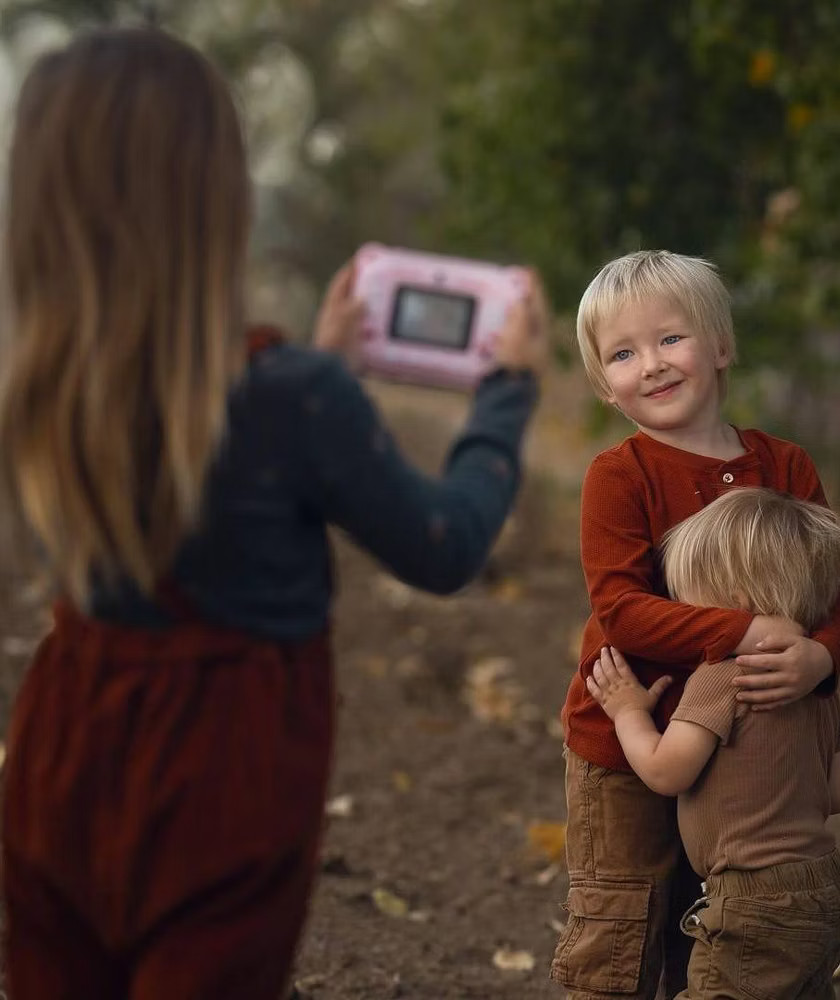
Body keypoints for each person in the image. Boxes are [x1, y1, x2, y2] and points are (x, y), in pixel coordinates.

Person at [0, 27, 547, 1000]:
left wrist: (320, 366)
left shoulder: (41, 392)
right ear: (213, 202)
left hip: (59, 764)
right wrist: (503, 397)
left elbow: (201, 451)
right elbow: (444, 542)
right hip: (225, 789)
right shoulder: (288, 400)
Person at [550, 251, 840, 1000]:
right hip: (630, 740)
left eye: (670, 339)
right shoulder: (619, 476)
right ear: (604, 384)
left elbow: (839, 586)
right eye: (623, 354)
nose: (650, 365)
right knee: (623, 928)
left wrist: (819, 660)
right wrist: (748, 631)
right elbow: (621, 610)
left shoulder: (784, 466)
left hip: (748, 756)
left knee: (725, 931)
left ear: (720, 346)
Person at [587, 487, 840, 999]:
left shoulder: (721, 677)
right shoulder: (820, 690)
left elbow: (667, 772)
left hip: (752, 900)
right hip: (825, 889)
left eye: (692, 603)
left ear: (737, 605)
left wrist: (628, 712)